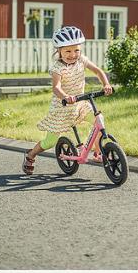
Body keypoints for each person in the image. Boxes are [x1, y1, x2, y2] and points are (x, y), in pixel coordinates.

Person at [22, 26, 113, 175]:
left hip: (80, 102)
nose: (73, 55)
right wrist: (65, 96)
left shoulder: (82, 60)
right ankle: (30, 155)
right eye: (68, 51)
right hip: (62, 107)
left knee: (98, 122)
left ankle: (98, 153)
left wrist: (106, 84)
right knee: (49, 142)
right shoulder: (58, 68)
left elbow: (98, 71)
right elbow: (56, 87)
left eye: (76, 50)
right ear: (59, 51)